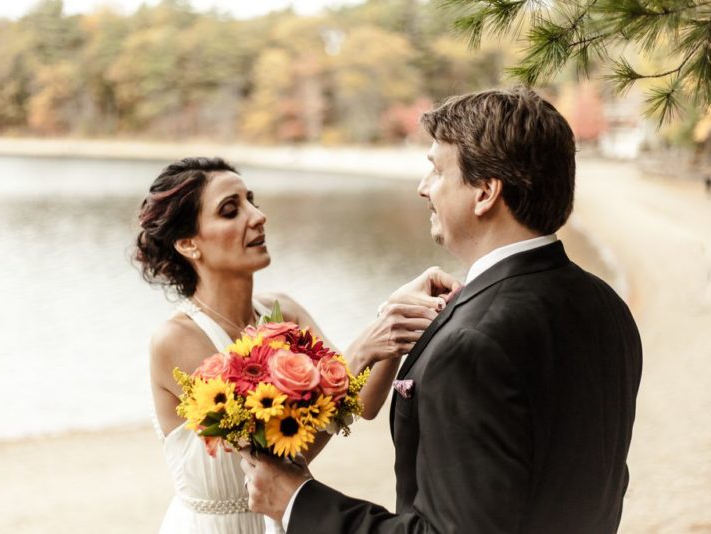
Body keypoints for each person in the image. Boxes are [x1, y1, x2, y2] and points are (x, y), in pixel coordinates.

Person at [242, 87, 643, 533]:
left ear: (486, 192)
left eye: (435, 170)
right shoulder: (606, 306)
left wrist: (300, 501)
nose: (422, 187)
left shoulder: (471, 344)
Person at [134, 157, 460, 534]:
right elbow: (271, 462)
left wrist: (396, 320)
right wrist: (366, 345)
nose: (257, 217)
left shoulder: (283, 310)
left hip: (283, 517)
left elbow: (363, 401)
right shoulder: (177, 340)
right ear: (189, 244)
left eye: (251, 201)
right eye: (230, 210)